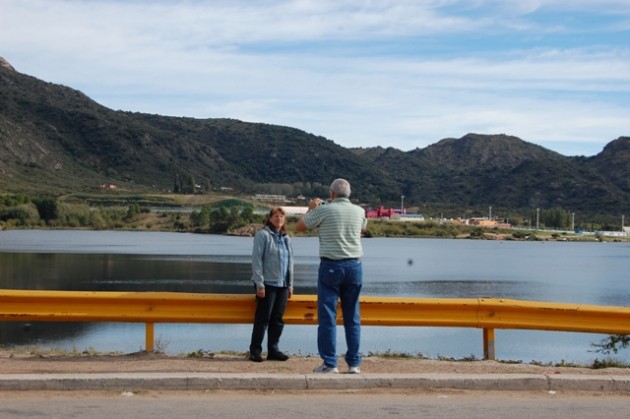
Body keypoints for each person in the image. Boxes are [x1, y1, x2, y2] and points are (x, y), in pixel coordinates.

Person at [296, 178, 367, 374]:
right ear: (349, 194)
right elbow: (362, 229)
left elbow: (300, 227)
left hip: (331, 266)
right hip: (355, 266)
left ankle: (330, 363)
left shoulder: (323, 210)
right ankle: (353, 364)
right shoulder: (360, 211)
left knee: (328, 316)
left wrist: (311, 208)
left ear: (332, 194)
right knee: (352, 316)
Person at [249, 207, 294, 362]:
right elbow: (257, 261)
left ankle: (273, 350)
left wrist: (290, 285)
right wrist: (259, 284)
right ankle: (255, 351)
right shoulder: (262, 236)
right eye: (276, 216)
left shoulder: (286, 238)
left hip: (282, 285)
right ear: (269, 218)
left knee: (277, 319)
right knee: (263, 319)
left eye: (281, 217)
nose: (279, 219)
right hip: (267, 284)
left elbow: (290, 263)